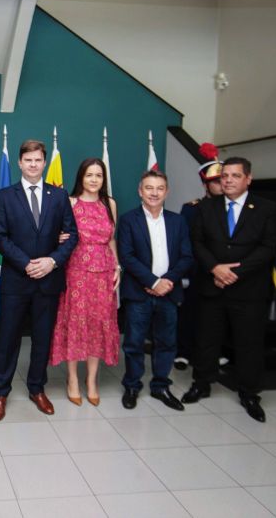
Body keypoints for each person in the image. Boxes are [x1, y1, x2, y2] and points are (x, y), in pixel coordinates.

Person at [182, 157, 276, 423]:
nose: (228, 180)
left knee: (249, 343)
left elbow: (268, 247)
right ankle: (201, 383)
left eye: (235, 176)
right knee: (206, 339)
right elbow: (197, 241)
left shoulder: (266, 208)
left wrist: (234, 272)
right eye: (224, 176)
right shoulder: (205, 208)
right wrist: (215, 268)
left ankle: (249, 393)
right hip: (212, 285)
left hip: (248, 289)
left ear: (248, 178)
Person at [0, 140, 78, 421]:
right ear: (19, 162)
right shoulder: (5, 196)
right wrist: (26, 263)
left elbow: (71, 235)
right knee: (8, 339)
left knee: (42, 338)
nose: (33, 164)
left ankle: (37, 388)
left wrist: (51, 261)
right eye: (28, 160)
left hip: (49, 280)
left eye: (38, 160)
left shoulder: (59, 196)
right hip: (17, 279)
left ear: (43, 161)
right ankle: (1, 392)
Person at [117, 170, 193, 411]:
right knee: (134, 342)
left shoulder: (178, 221)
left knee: (166, 342)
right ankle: (132, 385)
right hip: (139, 293)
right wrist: (152, 281)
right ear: (140, 191)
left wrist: (167, 281)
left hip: (169, 293)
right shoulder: (129, 220)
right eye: (149, 188)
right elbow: (127, 257)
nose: (154, 193)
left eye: (159, 188)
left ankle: (161, 385)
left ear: (166, 192)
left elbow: (186, 256)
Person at [49, 158, 120, 407]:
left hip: (103, 271)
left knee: (97, 325)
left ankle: (91, 381)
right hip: (76, 271)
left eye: (98, 175)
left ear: (104, 179)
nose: (94, 180)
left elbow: (111, 240)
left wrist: (117, 266)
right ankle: (72, 380)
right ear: (81, 177)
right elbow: (59, 234)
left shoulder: (109, 204)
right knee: (75, 323)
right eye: (89, 175)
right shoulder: (69, 202)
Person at [175, 160, 223, 370]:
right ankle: (184, 352)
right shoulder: (192, 209)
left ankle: (214, 352)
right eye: (216, 182)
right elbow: (184, 241)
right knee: (190, 311)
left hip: (222, 271)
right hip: (196, 269)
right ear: (206, 185)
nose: (222, 185)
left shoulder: (232, 209)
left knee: (216, 316)